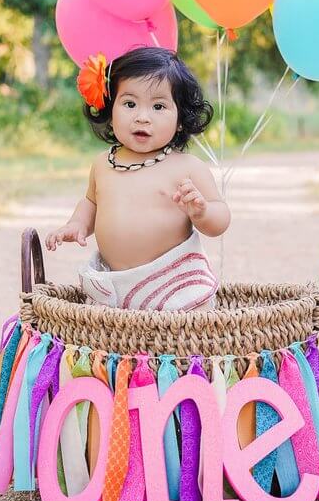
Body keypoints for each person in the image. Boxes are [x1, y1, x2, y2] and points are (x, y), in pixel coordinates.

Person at [44, 46, 230, 311]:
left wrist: (202, 212)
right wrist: (77, 224)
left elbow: (220, 220)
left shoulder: (187, 167)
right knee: (112, 342)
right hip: (115, 285)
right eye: (130, 104)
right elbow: (91, 202)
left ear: (180, 119)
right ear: (110, 109)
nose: (142, 117)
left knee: (182, 342)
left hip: (173, 284)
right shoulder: (103, 164)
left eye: (158, 106)